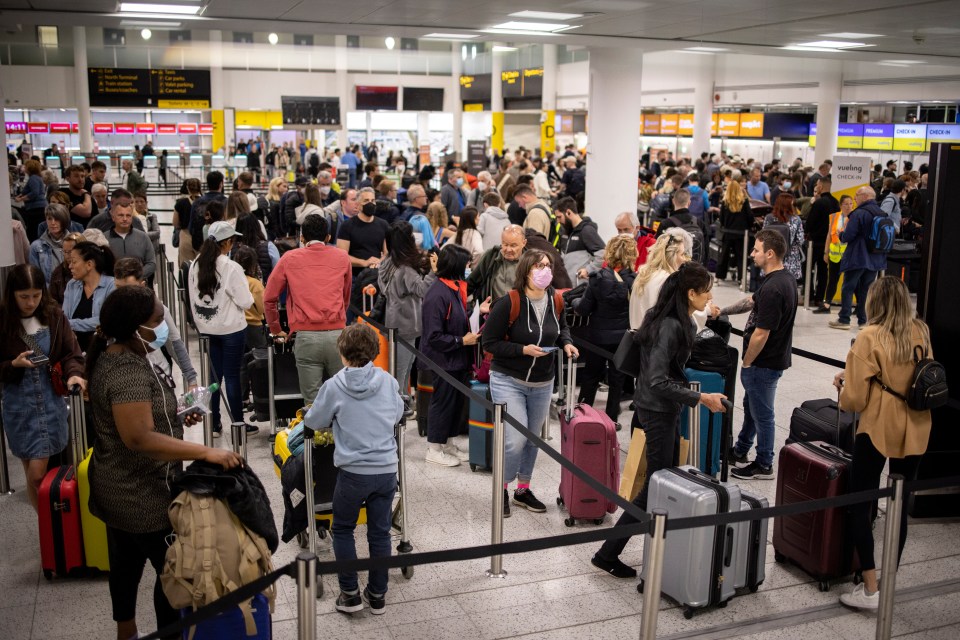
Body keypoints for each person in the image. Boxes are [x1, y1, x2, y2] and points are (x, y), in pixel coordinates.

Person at [85, 285, 242, 640]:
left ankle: (126, 630)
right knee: (174, 572)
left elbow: (142, 419)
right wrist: (206, 451)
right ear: (134, 326)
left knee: (125, 565)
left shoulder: (124, 355)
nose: (164, 329)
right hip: (141, 494)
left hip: (116, 488)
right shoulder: (125, 372)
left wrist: (175, 412)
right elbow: (139, 437)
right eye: (157, 321)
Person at [591, 262, 726, 578]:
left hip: (659, 408)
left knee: (658, 481)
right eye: (705, 290)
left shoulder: (674, 318)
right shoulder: (669, 325)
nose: (709, 295)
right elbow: (656, 380)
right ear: (690, 293)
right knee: (654, 485)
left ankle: (621, 549)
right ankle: (607, 552)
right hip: (658, 410)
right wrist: (700, 398)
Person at [832, 277, 933, 610]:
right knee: (899, 504)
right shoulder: (921, 330)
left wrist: (844, 389)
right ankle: (888, 583)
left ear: (874, 302)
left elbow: (855, 399)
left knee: (862, 500)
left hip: (878, 424)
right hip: (917, 422)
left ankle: (870, 588)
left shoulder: (869, 335)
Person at [302, 323, 403, 615]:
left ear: (342, 354)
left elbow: (315, 421)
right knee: (380, 533)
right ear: (374, 351)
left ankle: (349, 593)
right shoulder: (386, 380)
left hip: (353, 473)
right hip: (385, 470)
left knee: (343, 529)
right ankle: (378, 594)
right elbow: (396, 414)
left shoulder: (334, 385)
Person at [481, 250, 578, 517]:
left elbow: (562, 328)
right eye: (538, 265)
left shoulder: (556, 300)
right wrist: (523, 350)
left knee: (533, 440)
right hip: (508, 379)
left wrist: (566, 343)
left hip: (542, 382)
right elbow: (489, 343)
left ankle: (522, 489)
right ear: (526, 270)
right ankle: (501, 487)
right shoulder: (508, 302)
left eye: (548, 265)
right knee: (514, 440)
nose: (544, 270)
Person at [0, 265, 85, 510]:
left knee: (38, 475)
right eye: (24, 296)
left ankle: (50, 530)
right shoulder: (3, 320)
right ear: (12, 294)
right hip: (19, 405)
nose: (30, 302)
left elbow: (71, 353)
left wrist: (74, 375)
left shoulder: (54, 315)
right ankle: (48, 531)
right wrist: (13, 365)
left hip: (50, 403)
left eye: (36, 295)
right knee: (31, 473)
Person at [718, 230, 798, 480]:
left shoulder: (775, 288)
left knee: (763, 414)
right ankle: (741, 450)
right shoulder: (780, 279)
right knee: (752, 409)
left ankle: (764, 463)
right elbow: (752, 302)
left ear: (770, 253)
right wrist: (722, 311)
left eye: (756, 250)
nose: (752, 254)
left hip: (763, 363)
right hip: (766, 362)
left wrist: (747, 363)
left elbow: (761, 333)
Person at [265, 214, 352, 403]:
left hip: (306, 337)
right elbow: (346, 296)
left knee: (312, 402)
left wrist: (276, 329)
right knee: (343, 398)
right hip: (337, 334)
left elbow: (269, 297)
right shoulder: (342, 257)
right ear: (328, 237)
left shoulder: (289, 258)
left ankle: (318, 433)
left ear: (302, 237)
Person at [188, 221, 257, 436]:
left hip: (206, 329)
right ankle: (238, 424)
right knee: (233, 377)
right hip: (231, 330)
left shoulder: (195, 264)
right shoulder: (230, 267)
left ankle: (215, 424)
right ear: (226, 242)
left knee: (213, 379)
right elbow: (246, 302)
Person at [419, 245, 479, 467]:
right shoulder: (437, 295)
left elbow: (456, 319)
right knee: (442, 403)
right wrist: (462, 341)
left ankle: (449, 444)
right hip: (442, 360)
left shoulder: (454, 287)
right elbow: (433, 336)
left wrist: (475, 314)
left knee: (455, 404)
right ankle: (434, 448)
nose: (468, 267)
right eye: (466, 263)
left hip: (457, 359)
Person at [575, 235, 638, 428]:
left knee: (591, 376)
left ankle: (583, 416)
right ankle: (612, 420)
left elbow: (583, 309)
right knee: (617, 379)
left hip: (596, 337)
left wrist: (573, 301)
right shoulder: (635, 282)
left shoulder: (597, 279)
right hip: (622, 339)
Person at [113, 257, 197, 389]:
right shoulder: (111, 312)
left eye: (129, 289)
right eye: (118, 288)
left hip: (157, 378)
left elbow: (175, 343)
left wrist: (191, 379)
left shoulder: (158, 310)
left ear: (142, 285)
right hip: (124, 380)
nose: (123, 295)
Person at [378, 221, 437, 393]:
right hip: (407, 323)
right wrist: (433, 271)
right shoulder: (406, 268)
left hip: (392, 320)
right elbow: (422, 289)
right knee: (401, 370)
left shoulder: (387, 263)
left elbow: (383, 289)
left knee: (399, 367)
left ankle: (402, 403)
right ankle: (400, 407)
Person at [830, 187, 887, 330]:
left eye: (856, 196)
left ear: (865, 196)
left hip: (858, 256)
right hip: (875, 257)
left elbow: (848, 236)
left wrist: (841, 233)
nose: (854, 199)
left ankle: (844, 319)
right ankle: (863, 321)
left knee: (848, 287)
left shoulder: (859, 213)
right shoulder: (881, 213)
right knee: (866, 290)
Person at [64, 242, 117, 353]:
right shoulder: (72, 285)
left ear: (89, 264)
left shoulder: (111, 285)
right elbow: (64, 318)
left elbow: (104, 321)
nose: (70, 266)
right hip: (75, 350)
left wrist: (71, 324)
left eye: (74, 262)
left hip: (104, 350)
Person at [468, 225, 527, 311]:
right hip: (492, 315)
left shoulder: (530, 262)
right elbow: (471, 283)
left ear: (524, 243)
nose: (508, 249)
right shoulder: (490, 257)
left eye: (513, 245)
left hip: (519, 317)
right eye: (505, 244)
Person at [805, 178, 840, 311]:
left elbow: (810, 223)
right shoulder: (835, 203)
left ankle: (809, 295)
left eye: (817, 184)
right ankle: (820, 297)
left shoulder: (819, 203)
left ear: (821, 186)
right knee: (823, 272)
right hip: (829, 243)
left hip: (814, 242)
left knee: (808, 269)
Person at [555, 196, 604, 284]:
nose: (558, 221)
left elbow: (603, 255)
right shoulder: (564, 231)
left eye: (559, 217)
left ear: (568, 212)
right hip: (566, 286)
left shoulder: (586, 230)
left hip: (581, 289)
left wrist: (588, 270)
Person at [106, 198, 156, 282]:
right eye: (121, 215)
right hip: (112, 287)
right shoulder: (104, 238)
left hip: (139, 286)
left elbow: (151, 263)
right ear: (113, 217)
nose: (125, 219)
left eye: (128, 215)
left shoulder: (143, 237)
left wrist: (135, 278)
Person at [819, 194, 852, 314]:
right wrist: (826, 252)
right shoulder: (834, 217)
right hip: (835, 255)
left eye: (850, 204)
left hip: (849, 255)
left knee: (852, 281)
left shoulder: (855, 217)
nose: (848, 206)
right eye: (846, 204)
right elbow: (829, 235)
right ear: (840, 205)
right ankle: (827, 304)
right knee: (832, 279)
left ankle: (859, 306)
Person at [715, 180, 753, 281]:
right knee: (741, 256)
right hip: (741, 235)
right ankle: (741, 278)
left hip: (728, 234)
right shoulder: (744, 202)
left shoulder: (725, 203)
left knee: (724, 256)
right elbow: (750, 217)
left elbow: (721, 219)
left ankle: (720, 276)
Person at [763, 192, 805, 282]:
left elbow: (763, 236)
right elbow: (800, 240)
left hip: (771, 256)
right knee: (787, 285)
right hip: (790, 258)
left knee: (771, 282)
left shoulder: (769, 218)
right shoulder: (796, 220)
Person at [29, 203, 70, 283]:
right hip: (48, 292)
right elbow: (35, 277)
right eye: (49, 219)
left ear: (64, 219)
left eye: (57, 219)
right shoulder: (36, 246)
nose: (53, 223)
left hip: (71, 291)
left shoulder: (75, 243)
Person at [235, 212, 279, 283]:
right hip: (264, 289)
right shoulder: (269, 246)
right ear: (257, 226)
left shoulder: (232, 248)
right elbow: (278, 271)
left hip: (239, 289)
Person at [15, 159, 47, 242]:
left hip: (35, 209)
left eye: (25, 166)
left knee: (33, 231)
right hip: (39, 208)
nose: (24, 168)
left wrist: (21, 199)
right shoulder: (37, 178)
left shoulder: (33, 178)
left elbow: (34, 193)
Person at [174, 178, 202, 265]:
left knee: (186, 266)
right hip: (202, 237)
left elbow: (175, 222)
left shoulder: (180, 203)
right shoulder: (205, 202)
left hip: (186, 235)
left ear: (187, 188)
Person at [64, 164, 97, 229]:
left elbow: (96, 219)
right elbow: (86, 212)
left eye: (82, 176)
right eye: (76, 176)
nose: (80, 179)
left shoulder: (89, 199)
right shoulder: (64, 195)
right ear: (68, 179)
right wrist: (87, 193)